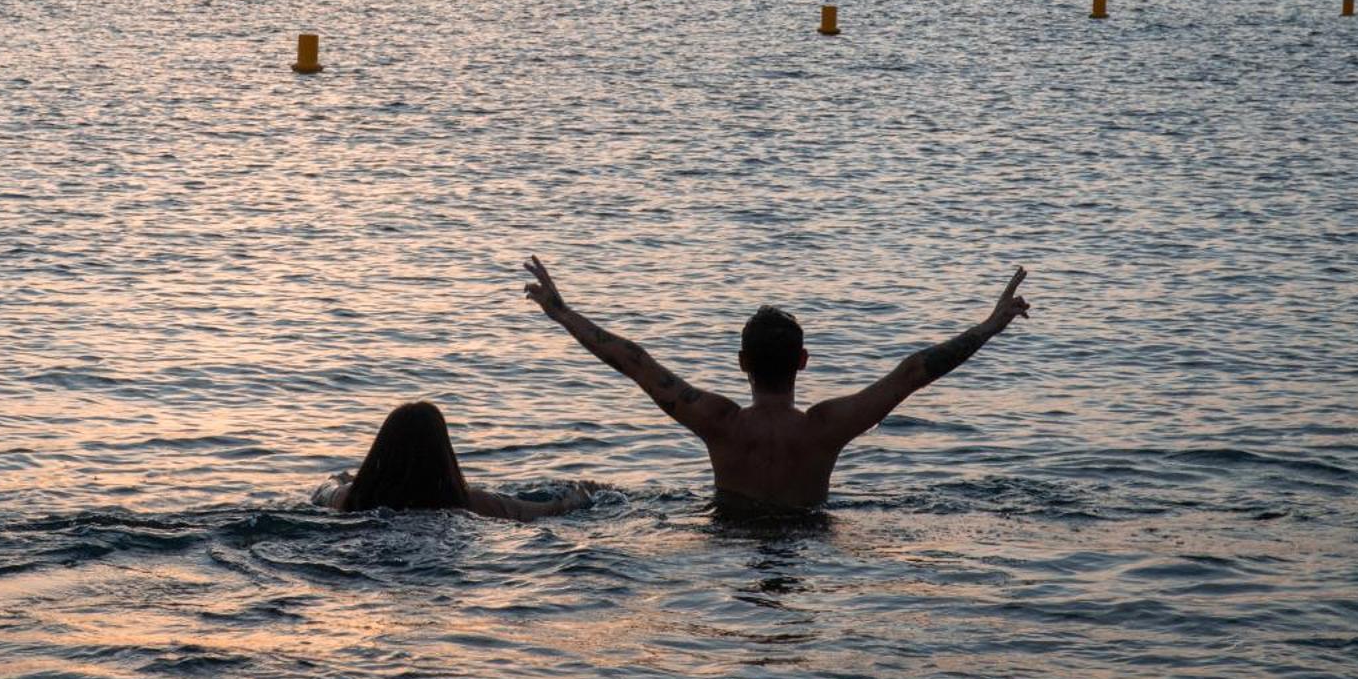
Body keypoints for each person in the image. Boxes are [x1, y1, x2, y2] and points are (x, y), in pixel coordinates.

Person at [521, 256, 1033, 512]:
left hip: (726, 535)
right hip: (809, 537)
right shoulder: (825, 429)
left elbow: (633, 362)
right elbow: (914, 373)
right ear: (804, 361)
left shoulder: (717, 421)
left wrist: (562, 313)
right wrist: (989, 326)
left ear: (741, 362)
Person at [317, 401, 592, 521]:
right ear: (444, 452)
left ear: (381, 449)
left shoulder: (350, 499)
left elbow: (324, 489)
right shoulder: (470, 503)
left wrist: (343, 478)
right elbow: (547, 512)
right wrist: (583, 494)